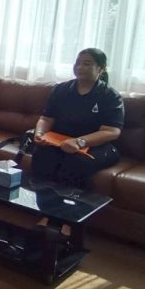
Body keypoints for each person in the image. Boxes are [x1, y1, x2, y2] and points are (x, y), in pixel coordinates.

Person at [31, 48, 124, 188]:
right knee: (41, 153)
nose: (80, 67)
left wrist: (79, 142)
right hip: (61, 141)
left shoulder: (110, 96)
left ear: (101, 69)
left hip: (95, 145)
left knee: (76, 162)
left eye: (86, 64)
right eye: (77, 63)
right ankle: (39, 195)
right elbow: (46, 119)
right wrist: (39, 133)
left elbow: (111, 131)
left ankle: (70, 200)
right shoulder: (60, 89)